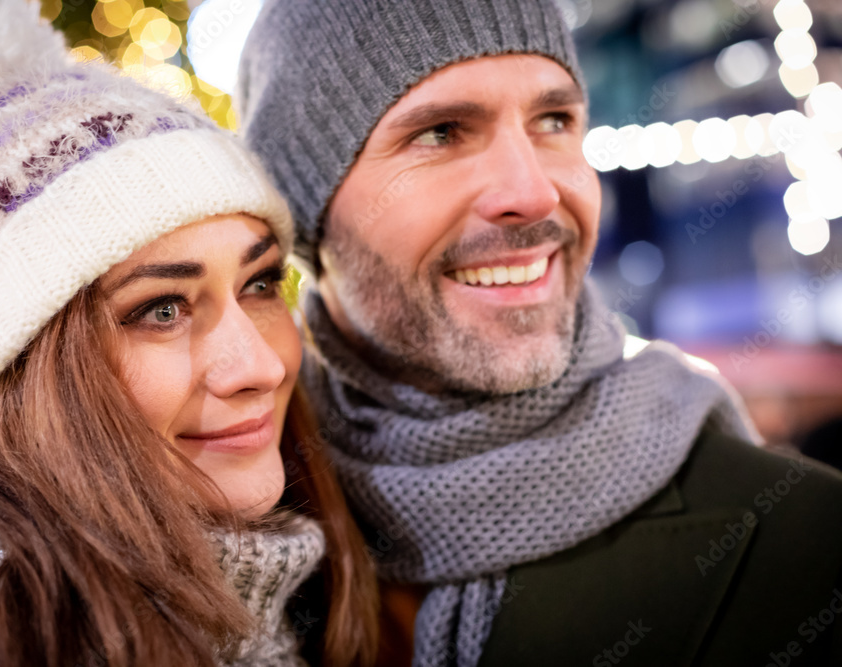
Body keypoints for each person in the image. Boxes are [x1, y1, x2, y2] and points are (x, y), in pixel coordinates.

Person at [235, 1, 842, 665]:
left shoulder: (807, 535)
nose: (534, 191)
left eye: (554, 120)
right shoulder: (226, 524)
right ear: (308, 213)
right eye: (440, 132)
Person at [0, 1, 378, 666]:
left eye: (260, 284)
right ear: (17, 372)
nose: (259, 366)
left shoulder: (284, 593)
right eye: (161, 309)